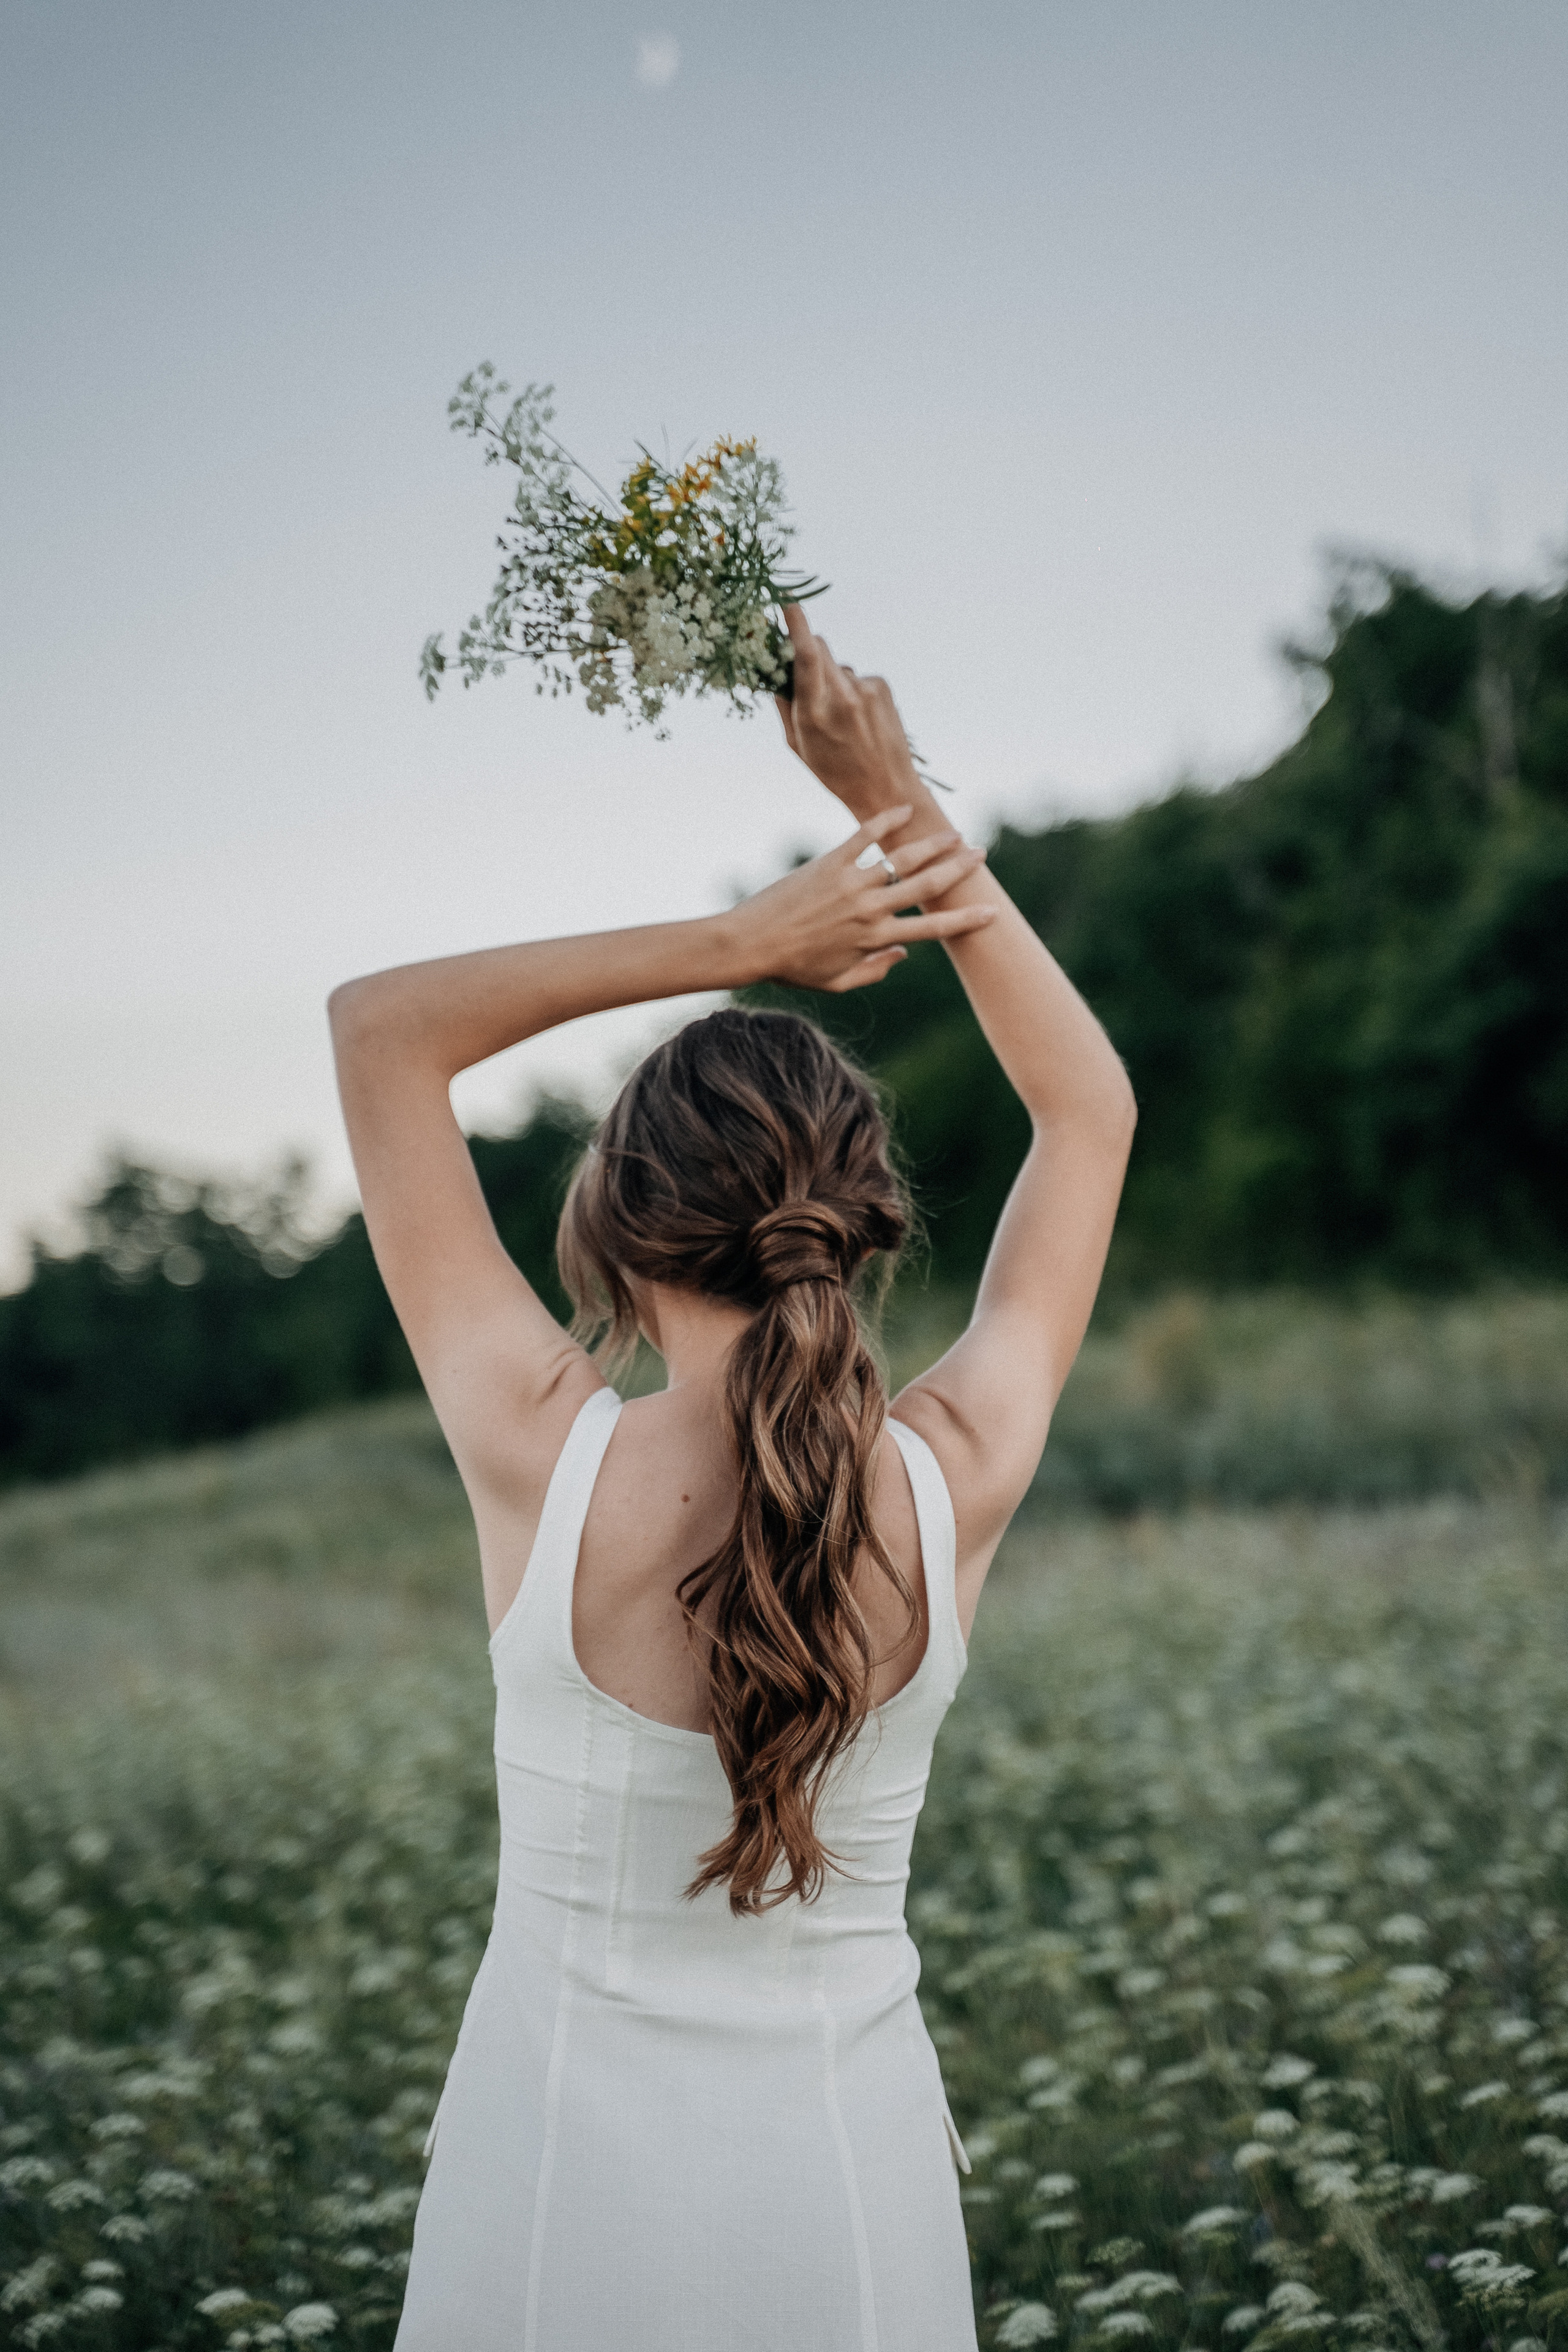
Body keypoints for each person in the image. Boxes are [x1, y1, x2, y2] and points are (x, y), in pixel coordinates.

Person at [328, 608, 1136, 2352]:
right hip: (850, 2216)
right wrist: (897, 805)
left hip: (547, 2205)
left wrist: (744, 938)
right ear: (855, 1216)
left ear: (618, 1223)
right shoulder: (956, 1474)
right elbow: (1089, 1113)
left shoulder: (537, 1449)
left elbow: (381, 1029)